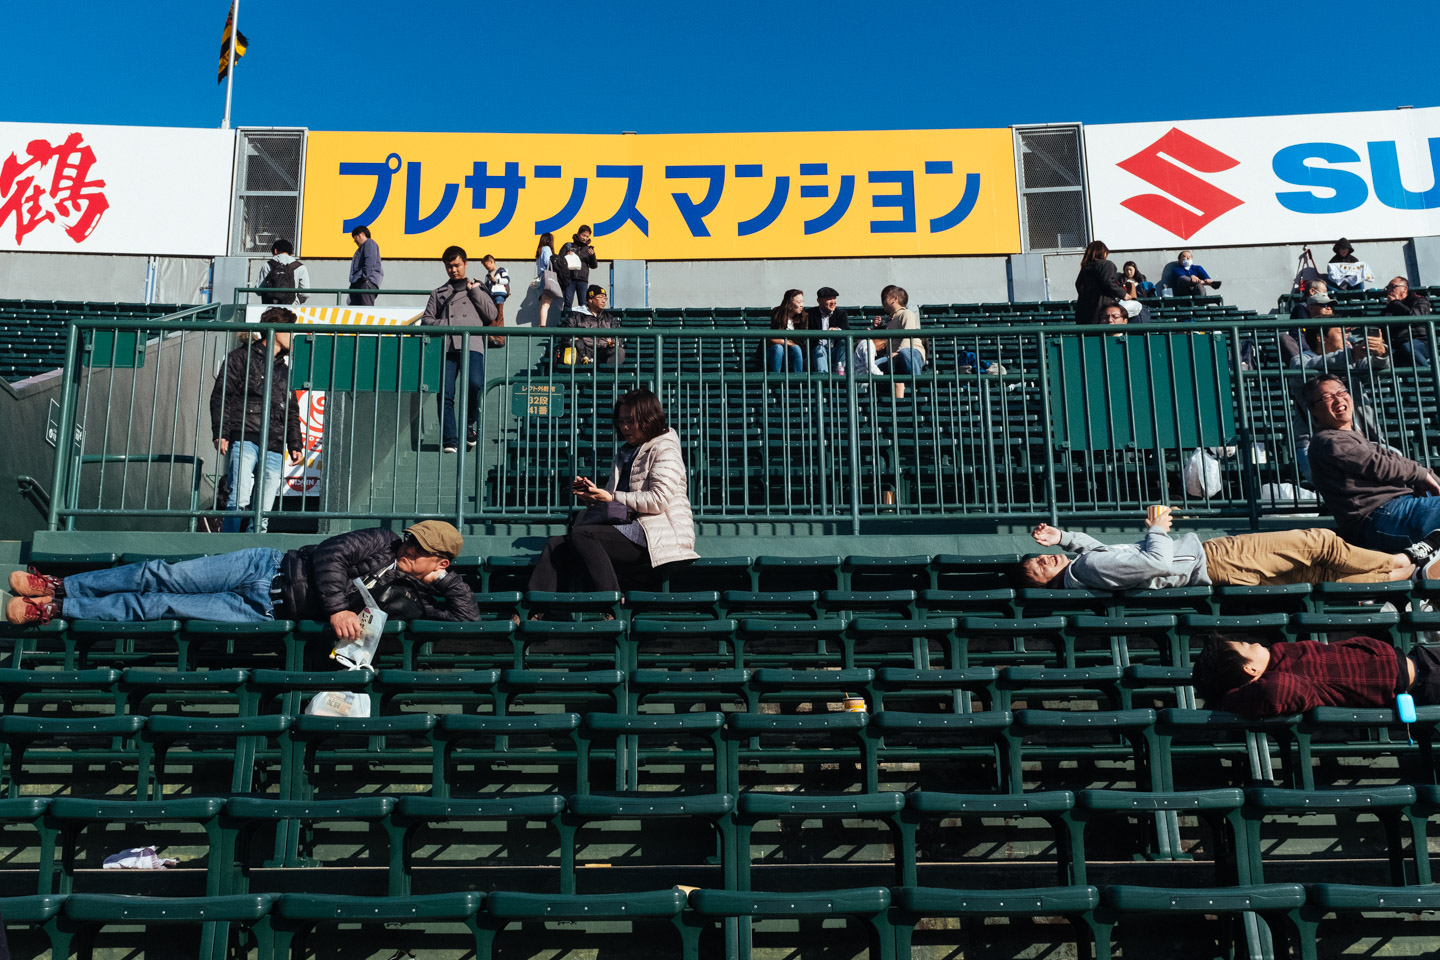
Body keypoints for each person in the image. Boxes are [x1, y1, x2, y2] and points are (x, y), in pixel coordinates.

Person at [8, 521, 480, 629]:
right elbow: (330, 556)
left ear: (439, 561)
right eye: (412, 539)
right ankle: (61, 584)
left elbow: (466, 621)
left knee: (158, 604)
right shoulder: (381, 540)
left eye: (421, 549)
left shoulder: (410, 597)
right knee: (162, 573)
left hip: (263, 608)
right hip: (266, 566)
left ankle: (57, 609)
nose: (409, 547)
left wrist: (446, 582)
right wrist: (337, 609)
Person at [526, 388, 698, 600]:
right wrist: (594, 497)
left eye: (631, 421)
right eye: (621, 421)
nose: (624, 427)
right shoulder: (625, 453)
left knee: (582, 534)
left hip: (657, 535)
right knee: (556, 544)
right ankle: (533, 609)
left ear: (648, 418)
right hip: (629, 526)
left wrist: (610, 497)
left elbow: (658, 500)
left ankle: (613, 600)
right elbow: (617, 503)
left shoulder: (665, 449)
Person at [1016, 507, 1425, 591]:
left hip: (1212, 569)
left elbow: (1109, 554)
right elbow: (1153, 563)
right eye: (1037, 567)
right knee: (1316, 542)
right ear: (1043, 585)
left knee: (1318, 572)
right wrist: (1157, 527)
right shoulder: (1085, 573)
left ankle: (1397, 575)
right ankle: (1401, 560)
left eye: (1037, 555)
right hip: (1214, 558)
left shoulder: (1084, 568)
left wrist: (1066, 538)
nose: (1043, 559)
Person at [1304, 373, 1440, 552]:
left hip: (1394, 511)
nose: (1338, 399)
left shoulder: (1354, 438)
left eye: (1341, 392)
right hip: (1377, 518)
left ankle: (1425, 559)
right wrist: (1421, 475)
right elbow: (1379, 465)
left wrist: (1427, 476)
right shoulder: (1328, 441)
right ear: (1313, 410)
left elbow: (1395, 459)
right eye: (1327, 397)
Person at [1191, 632, 1440, 718]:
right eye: (1245, 646)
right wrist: (1227, 699)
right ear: (1250, 669)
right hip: (1424, 679)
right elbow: (1274, 692)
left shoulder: (1281, 656)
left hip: (1420, 659)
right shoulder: (1283, 680)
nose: (1252, 643)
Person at [210, 307, 303, 533]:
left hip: (274, 443)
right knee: (239, 499)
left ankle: (253, 552)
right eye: (289, 330)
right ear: (276, 329)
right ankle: (227, 550)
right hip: (244, 435)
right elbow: (221, 395)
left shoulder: (285, 370)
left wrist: (295, 444)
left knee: (264, 510)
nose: (293, 335)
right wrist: (221, 432)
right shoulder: (240, 357)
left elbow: (291, 410)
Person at [418, 245, 498, 453]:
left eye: (457, 265)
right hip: (447, 347)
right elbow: (426, 321)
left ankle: (470, 423)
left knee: (475, 384)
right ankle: (449, 439)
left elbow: (491, 314)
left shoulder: (478, 288)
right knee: (445, 393)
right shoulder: (438, 293)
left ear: (465, 264)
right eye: (449, 266)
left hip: (472, 345)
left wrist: (474, 292)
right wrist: (449, 326)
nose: (453, 270)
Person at [873, 285, 926, 398]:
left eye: (885, 298)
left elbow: (908, 336)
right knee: (873, 366)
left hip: (911, 353)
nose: (883, 302)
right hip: (893, 357)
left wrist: (899, 352)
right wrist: (878, 329)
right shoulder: (890, 320)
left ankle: (918, 384)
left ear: (894, 299)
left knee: (904, 353)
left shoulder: (907, 313)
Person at [561, 285, 624, 365]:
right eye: (600, 297)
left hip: (604, 350)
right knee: (576, 345)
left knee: (619, 351)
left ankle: (609, 375)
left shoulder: (608, 317)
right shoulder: (577, 315)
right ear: (590, 300)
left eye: (605, 298)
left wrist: (615, 341)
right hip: (584, 351)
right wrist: (574, 339)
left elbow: (619, 333)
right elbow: (565, 330)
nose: (604, 301)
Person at [1074, 240, 1129, 324]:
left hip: (1083, 313)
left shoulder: (1085, 269)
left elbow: (1078, 285)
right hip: (1102, 311)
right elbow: (1108, 282)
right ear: (1103, 252)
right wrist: (1123, 294)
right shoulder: (1106, 264)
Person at [1382, 276, 1432, 367]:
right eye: (1387, 287)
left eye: (1392, 287)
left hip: (1419, 342)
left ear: (1404, 289)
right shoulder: (1388, 308)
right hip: (1396, 346)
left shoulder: (1419, 300)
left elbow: (1416, 317)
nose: (1389, 290)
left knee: (1408, 347)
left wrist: (1395, 303)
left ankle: (1428, 377)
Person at [806, 286, 849, 374]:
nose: (833, 302)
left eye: (834, 299)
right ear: (819, 300)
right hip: (816, 352)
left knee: (844, 344)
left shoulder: (841, 314)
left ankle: (840, 375)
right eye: (829, 299)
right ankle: (824, 378)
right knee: (819, 348)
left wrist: (838, 330)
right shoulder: (810, 314)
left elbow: (847, 330)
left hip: (834, 351)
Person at [557, 226, 598, 315]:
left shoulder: (588, 249)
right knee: (567, 303)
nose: (585, 238)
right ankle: (566, 323)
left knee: (583, 304)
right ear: (579, 234)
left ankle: (583, 323)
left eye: (587, 236)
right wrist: (566, 256)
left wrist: (592, 256)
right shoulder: (568, 246)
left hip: (583, 280)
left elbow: (594, 266)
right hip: (569, 279)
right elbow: (559, 261)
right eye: (583, 235)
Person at [256, 239, 309, 305]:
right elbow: (306, 293)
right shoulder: (300, 267)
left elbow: (259, 290)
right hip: (291, 308)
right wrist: (296, 301)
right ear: (290, 252)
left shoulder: (267, 265)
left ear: (275, 251)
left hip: (270, 307)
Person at [767, 289, 806, 373]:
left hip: (791, 351)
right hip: (773, 350)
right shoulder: (777, 313)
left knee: (796, 348)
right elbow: (772, 338)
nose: (802, 305)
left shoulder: (804, 316)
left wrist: (787, 343)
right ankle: (775, 378)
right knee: (778, 348)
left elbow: (801, 341)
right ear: (790, 304)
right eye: (799, 302)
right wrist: (788, 342)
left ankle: (798, 379)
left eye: (803, 301)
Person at [347, 225, 383, 306]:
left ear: (362, 234)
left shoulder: (369, 243)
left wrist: (365, 278)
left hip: (366, 283)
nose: (354, 240)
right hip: (360, 283)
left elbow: (370, 261)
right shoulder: (363, 247)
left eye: (355, 237)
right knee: (356, 309)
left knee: (366, 309)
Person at [535, 233, 560, 328]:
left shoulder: (540, 251)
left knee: (544, 304)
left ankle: (542, 324)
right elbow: (547, 261)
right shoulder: (546, 249)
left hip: (541, 278)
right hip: (547, 278)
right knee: (546, 304)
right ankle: (542, 325)